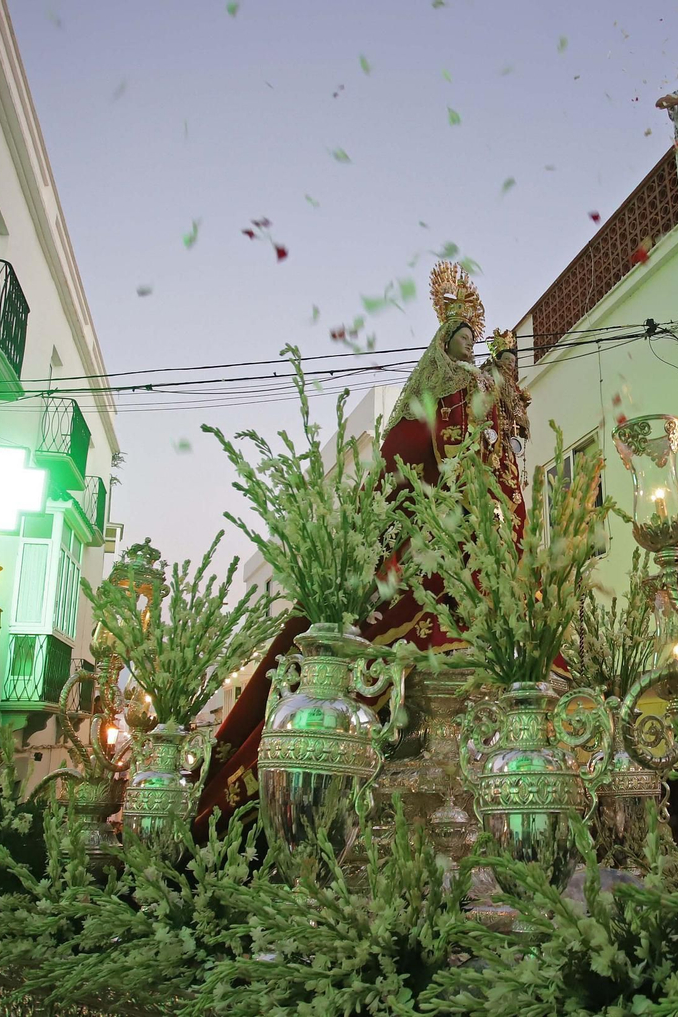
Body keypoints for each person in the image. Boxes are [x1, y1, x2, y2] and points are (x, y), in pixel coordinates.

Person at [192, 261, 529, 833]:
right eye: (462, 340)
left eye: (475, 343)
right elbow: (402, 469)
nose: (470, 350)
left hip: (484, 540)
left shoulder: (483, 394)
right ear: (444, 344)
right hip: (439, 541)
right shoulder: (436, 402)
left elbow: (503, 456)